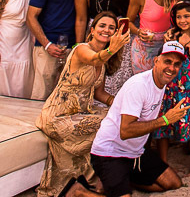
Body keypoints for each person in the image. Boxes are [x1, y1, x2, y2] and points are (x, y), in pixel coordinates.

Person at [36, 12, 130, 197]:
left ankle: (101, 178)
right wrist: (113, 48)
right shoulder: (81, 49)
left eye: (112, 28)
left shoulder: (102, 63)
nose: (107, 30)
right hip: (58, 114)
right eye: (102, 26)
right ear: (92, 30)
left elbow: (100, 93)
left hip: (81, 111)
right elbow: (95, 59)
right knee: (106, 126)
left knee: (116, 118)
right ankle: (96, 180)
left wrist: (118, 103)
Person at [88, 41, 187, 195]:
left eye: (177, 64)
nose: (172, 68)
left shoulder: (162, 82)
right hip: (110, 153)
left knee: (174, 183)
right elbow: (125, 131)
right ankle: (79, 192)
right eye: (168, 61)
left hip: (135, 153)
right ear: (156, 60)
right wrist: (165, 120)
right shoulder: (139, 85)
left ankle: (122, 182)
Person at [154, 1, 190, 176]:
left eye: (186, 16)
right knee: (163, 128)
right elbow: (163, 58)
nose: (182, 20)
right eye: (179, 17)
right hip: (169, 89)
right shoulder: (171, 35)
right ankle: (163, 164)